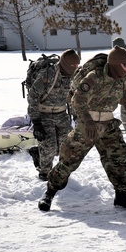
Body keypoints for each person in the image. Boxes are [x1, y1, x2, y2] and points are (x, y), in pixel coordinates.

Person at [38, 46, 126, 211]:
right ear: (116, 64)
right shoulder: (94, 77)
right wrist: (87, 121)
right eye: (125, 65)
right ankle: (50, 192)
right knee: (69, 159)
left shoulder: (123, 79)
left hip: (109, 125)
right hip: (88, 125)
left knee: (118, 157)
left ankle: (122, 196)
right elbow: (77, 100)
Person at [27, 49, 81, 181]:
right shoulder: (48, 74)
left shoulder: (74, 76)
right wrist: (36, 121)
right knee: (49, 145)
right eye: (72, 65)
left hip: (62, 114)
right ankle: (44, 171)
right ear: (65, 64)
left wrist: (77, 115)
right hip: (44, 114)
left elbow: (75, 96)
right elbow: (33, 96)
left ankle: (53, 164)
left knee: (65, 144)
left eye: (76, 65)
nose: (75, 68)